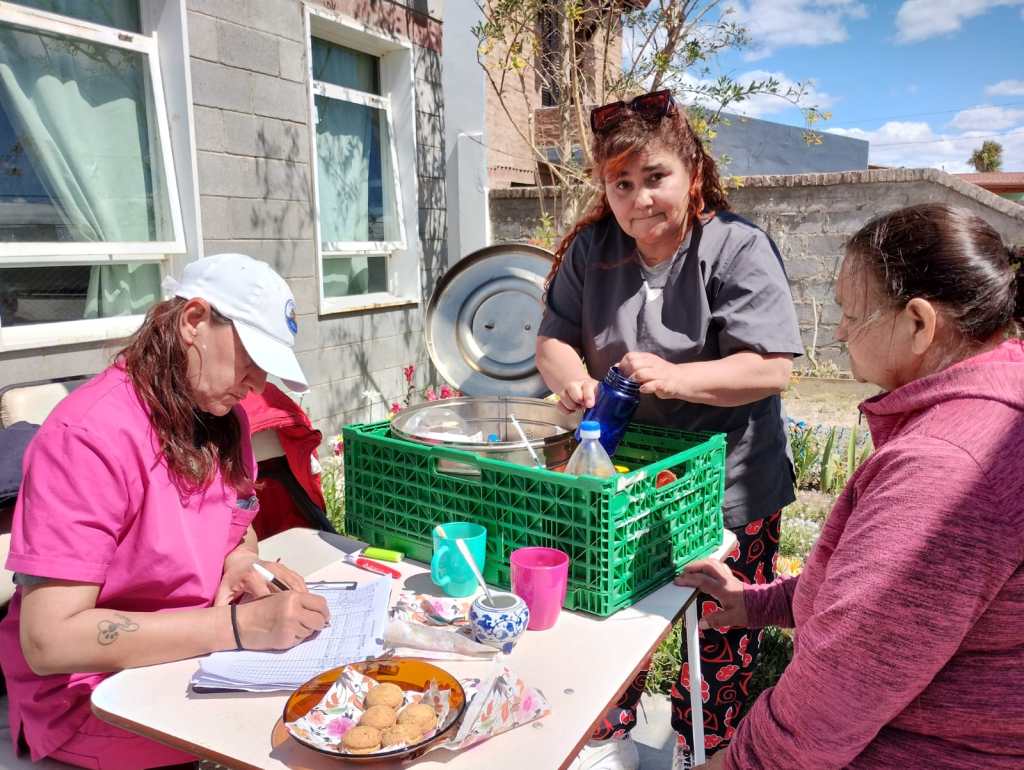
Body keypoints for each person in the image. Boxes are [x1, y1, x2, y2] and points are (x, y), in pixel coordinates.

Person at [679, 203, 1024, 769]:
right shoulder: (986, 409)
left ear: (919, 323)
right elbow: (886, 606)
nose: (839, 332)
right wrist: (755, 604)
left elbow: (833, 700)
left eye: (851, 312)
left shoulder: (945, 467)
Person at [536, 89, 804, 770]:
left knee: (716, 625)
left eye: (654, 178)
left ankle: (706, 749)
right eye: (620, 184)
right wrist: (570, 377)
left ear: (691, 173)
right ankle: (610, 735)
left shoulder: (735, 247)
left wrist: (676, 377)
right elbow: (554, 339)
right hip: (625, 478)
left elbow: (771, 369)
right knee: (609, 614)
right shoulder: (594, 248)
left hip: (727, 479)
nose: (639, 199)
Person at [0, 253, 330, 769]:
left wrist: (242, 561)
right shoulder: (89, 437)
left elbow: (234, 525)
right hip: (93, 697)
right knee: (303, 736)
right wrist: (239, 628)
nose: (257, 382)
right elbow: (49, 639)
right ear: (193, 322)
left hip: (190, 658)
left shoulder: (224, 420)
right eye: (250, 359)